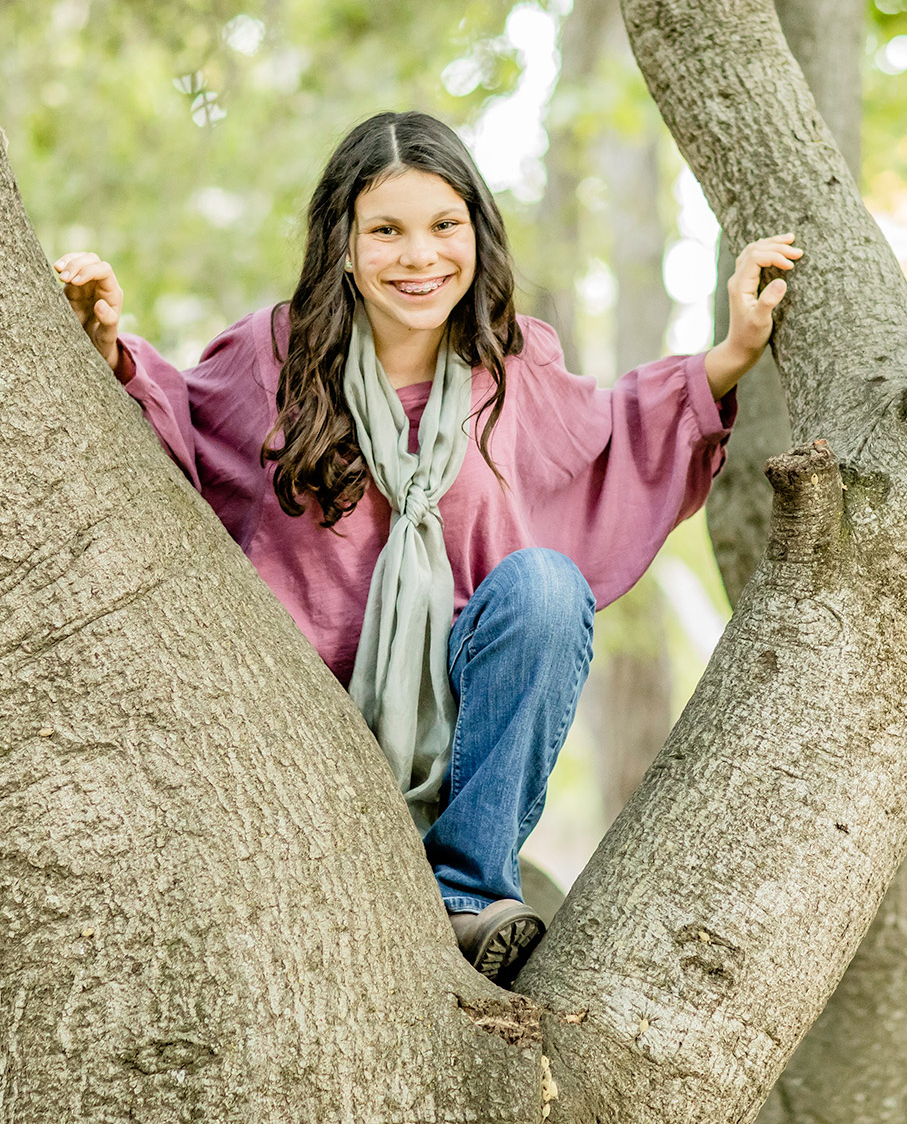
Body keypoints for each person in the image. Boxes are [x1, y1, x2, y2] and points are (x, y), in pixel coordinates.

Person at [56, 111, 799, 985]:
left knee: (548, 590)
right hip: (305, 724)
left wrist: (735, 349)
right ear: (342, 244)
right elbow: (173, 426)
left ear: (476, 235)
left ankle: (468, 894)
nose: (420, 257)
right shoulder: (271, 357)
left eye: (445, 226)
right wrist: (103, 345)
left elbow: (613, 437)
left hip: (459, 720)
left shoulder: (512, 367)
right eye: (388, 231)